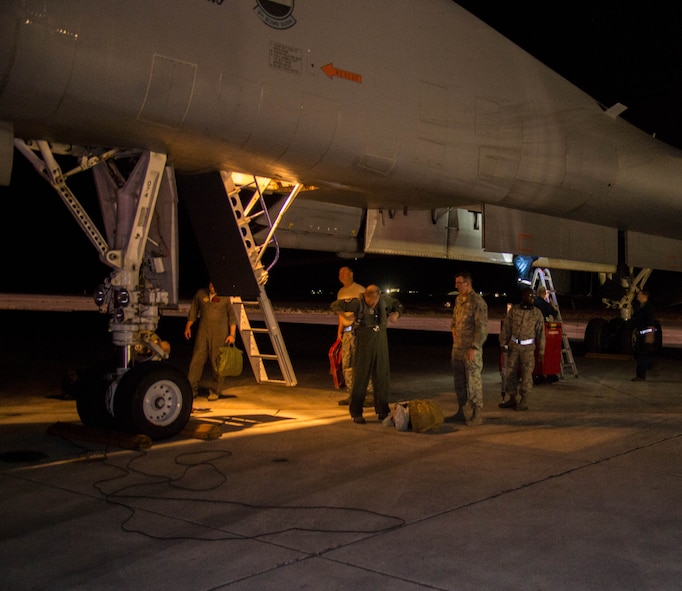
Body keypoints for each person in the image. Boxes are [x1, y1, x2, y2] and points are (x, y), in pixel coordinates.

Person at [330, 285, 403, 424]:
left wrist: (396, 314)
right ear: (366, 296)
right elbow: (335, 305)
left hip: (380, 342)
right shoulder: (357, 302)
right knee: (360, 378)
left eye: (376, 300)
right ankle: (356, 412)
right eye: (371, 301)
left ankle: (382, 411)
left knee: (382, 377)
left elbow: (398, 305)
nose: (373, 303)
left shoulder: (383, 300)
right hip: (364, 343)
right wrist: (344, 316)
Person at [184, 281, 237, 401]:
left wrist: (232, 335)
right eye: (210, 285)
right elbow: (193, 311)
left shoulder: (225, 297)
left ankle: (215, 390)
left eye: (214, 285)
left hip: (220, 334)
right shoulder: (200, 294)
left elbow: (232, 318)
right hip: (203, 332)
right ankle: (191, 389)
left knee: (217, 363)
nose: (212, 287)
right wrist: (188, 327)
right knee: (196, 360)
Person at [448, 271, 488, 426]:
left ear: (468, 283)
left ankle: (476, 413)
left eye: (459, 283)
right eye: (456, 283)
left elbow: (482, 329)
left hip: (471, 350)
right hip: (457, 349)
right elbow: (454, 322)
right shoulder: (458, 300)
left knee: (473, 381)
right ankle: (461, 411)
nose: (456, 286)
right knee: (459, 382)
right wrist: (455, 337)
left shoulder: (478, 302)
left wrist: (474, 347)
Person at [499, 288, 546, 411]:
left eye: (532, 296)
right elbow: (507, 328)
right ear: (523, 297)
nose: (531, 298)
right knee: (510, 373)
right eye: (528, 296)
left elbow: (541, 333)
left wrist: (541, 350)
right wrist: (503, 343)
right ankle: (512, 398)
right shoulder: (514, 310)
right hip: (514, 347)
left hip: (528, 349)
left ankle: (524, 400)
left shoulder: (537, 313)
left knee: (526, 375)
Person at [335, 266, 373, 406]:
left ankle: (369, 394)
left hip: (359, 332)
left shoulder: (360, 290)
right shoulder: (341, 292)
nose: (341, 275)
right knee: (347, 364)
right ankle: (352, 394)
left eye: (343, 272)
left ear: (351, 274)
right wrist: (340, 330)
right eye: (339, 273)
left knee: (361, 363)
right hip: (347, 332)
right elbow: (340, 314)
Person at [631, 290, 656, 381]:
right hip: (641, 335)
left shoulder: (648, 308)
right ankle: (640, 374)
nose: (637, 296)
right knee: (641, 355)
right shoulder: (642, 307)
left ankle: (641, 376)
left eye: (639, 294)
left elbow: (650, 323)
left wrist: (648, 335)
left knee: (643, 356)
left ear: (644, 296)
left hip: (645, 336)